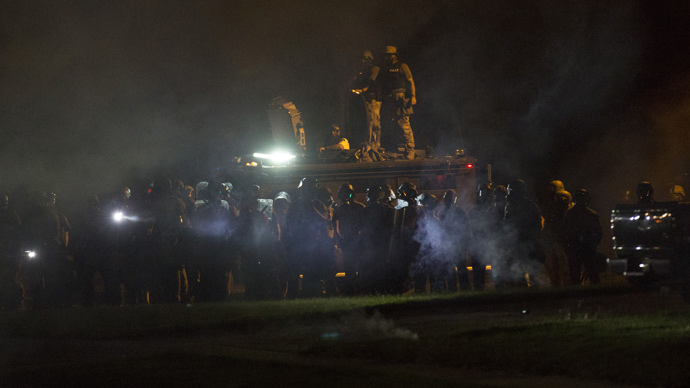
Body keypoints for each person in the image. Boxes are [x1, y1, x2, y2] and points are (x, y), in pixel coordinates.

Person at [379, 46, 416, 160]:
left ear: (394, 55)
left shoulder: (402, 66)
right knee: (390, 125)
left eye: (388, 55)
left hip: (400, 98)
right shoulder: (386, 68)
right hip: (390, 99)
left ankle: (410, 150)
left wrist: (413, 97)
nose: (387, 57)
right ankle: (394, 149)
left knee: (404, 125)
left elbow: (411, 81)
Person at [563, 189, 603, 285]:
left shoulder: (570, 213)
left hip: (579, 247)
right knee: (591, 273)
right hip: (585, 247)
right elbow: (599, 233)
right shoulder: (592, 214)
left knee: (577, 273)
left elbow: (564, 230)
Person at [351, 50, 381, 149]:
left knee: (375, 122)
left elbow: (371, 82)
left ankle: (376, 144)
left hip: (374, 99)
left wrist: (362, 89)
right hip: (367, 100)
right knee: (369, 122)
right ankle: (370, 143)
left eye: (365, 59)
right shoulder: (363, 71)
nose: (363, 61)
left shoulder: (374, 69)